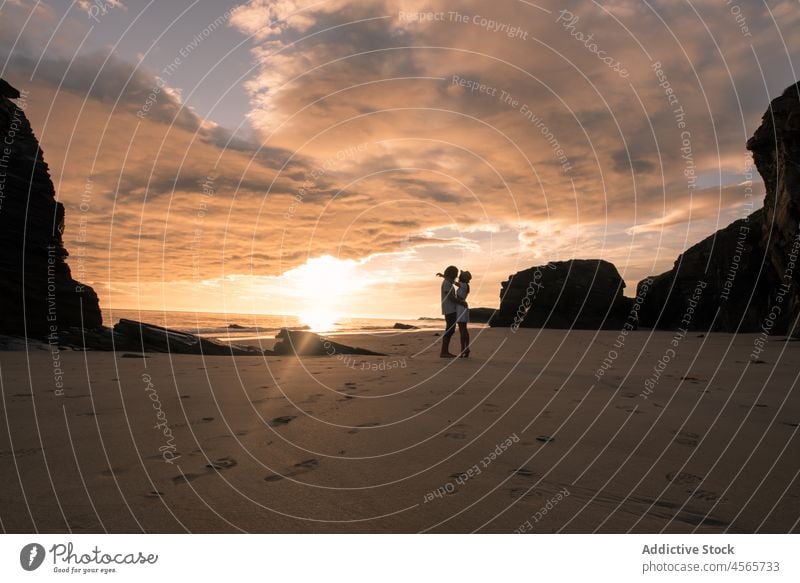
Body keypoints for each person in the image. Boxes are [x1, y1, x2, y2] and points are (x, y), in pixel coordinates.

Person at [436, 266, 466, 358]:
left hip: (451, 309)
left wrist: (442, 275)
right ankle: (444, 352)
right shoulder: (447, 283)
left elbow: (453, 283)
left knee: (450, 330)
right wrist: (461, 302)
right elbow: (450, 297)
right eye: (455, 273)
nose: (456, 275)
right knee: (449, 330)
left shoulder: (448, 282)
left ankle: (445, 351)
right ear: (452, 273)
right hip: (449, 309)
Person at [455, 270, 472, 358]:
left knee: (462, 330)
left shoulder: (463, 285)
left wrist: (443, 276)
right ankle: (467, 348)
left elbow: (454, 282)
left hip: (460, 307)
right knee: (464, 329)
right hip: (463, 306)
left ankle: (463, 349)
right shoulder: (466, 286)